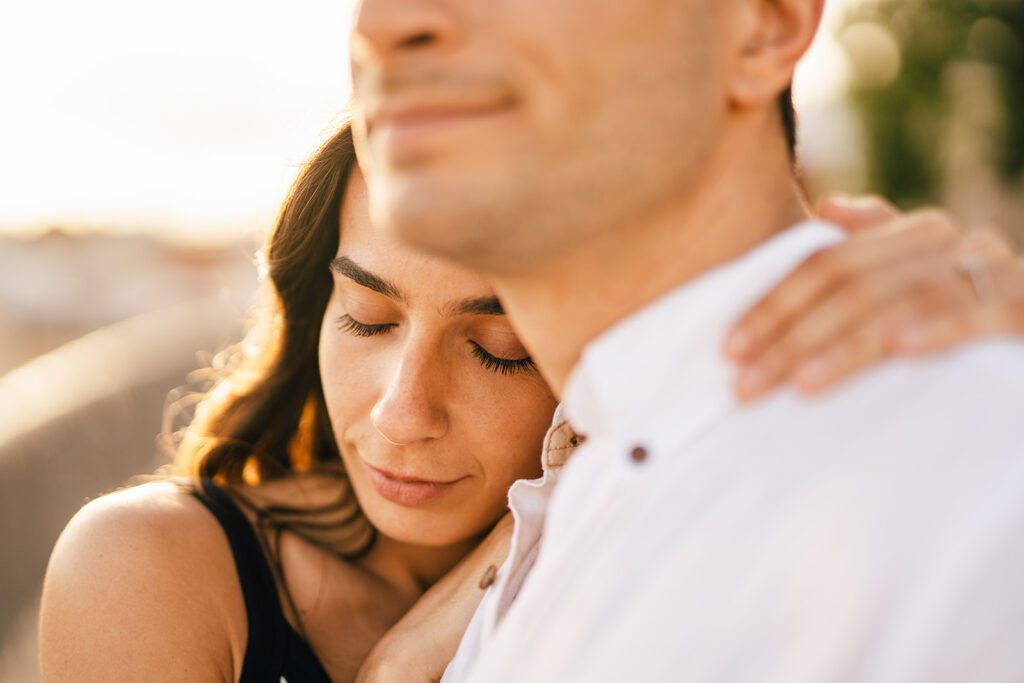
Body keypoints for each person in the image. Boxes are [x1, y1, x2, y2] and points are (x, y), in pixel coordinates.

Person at [38, 112, 1024, 681]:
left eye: (500, 350)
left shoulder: (620, 535)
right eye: (369, 321)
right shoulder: (147, 565)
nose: (399, 411)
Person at [348, 0, 1024, 680]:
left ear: (765, 26)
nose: (382, 22)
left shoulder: (974, 491)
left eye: (496, 345)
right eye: (365, 317)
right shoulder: (583, 486)